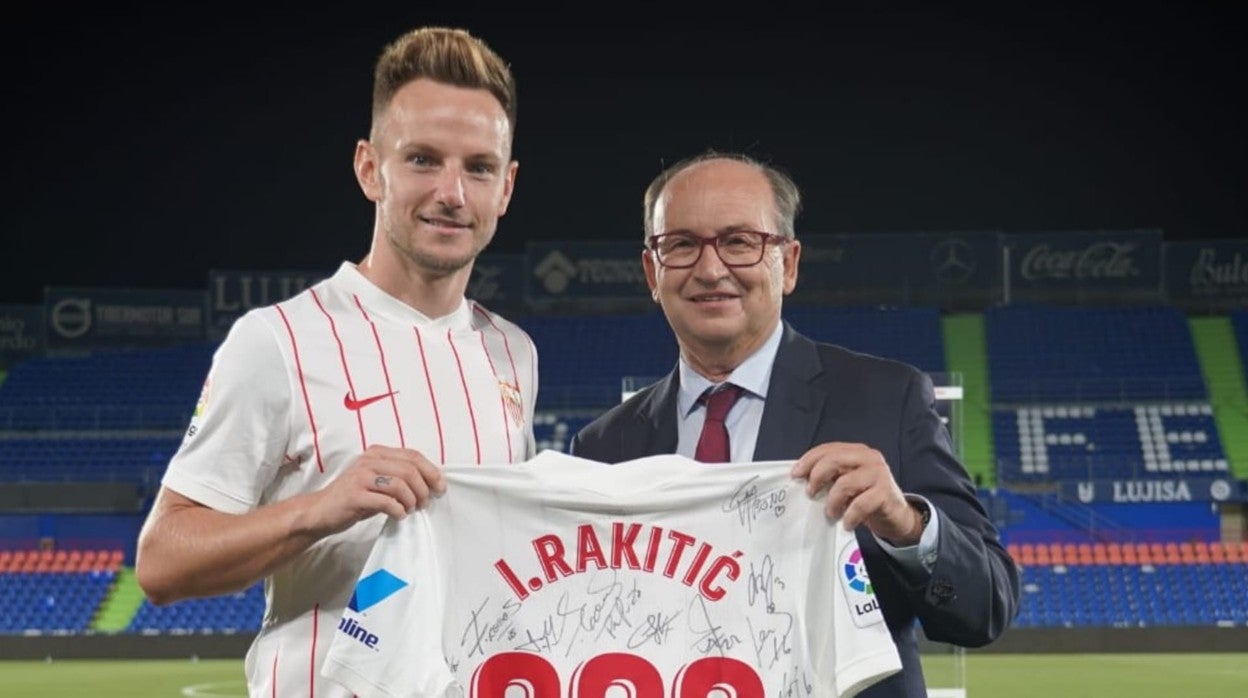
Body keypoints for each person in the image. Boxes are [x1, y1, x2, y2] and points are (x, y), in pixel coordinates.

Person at [135, 26, 537, 697]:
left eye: (478, 167)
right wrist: (319, 508)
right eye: (423, 160)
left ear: (506, 187)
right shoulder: (277, 340)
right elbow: (161, 562)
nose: (452, 193)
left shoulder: (512, 353)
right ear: (368, 168)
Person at [570, 150, 1019, 698]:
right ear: (652, 272)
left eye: (740, 241)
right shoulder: (602, 447)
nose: (711, 269)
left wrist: (905, 524)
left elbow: (986, 608)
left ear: (789, 264)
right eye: (682, 245)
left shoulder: (887, 400)